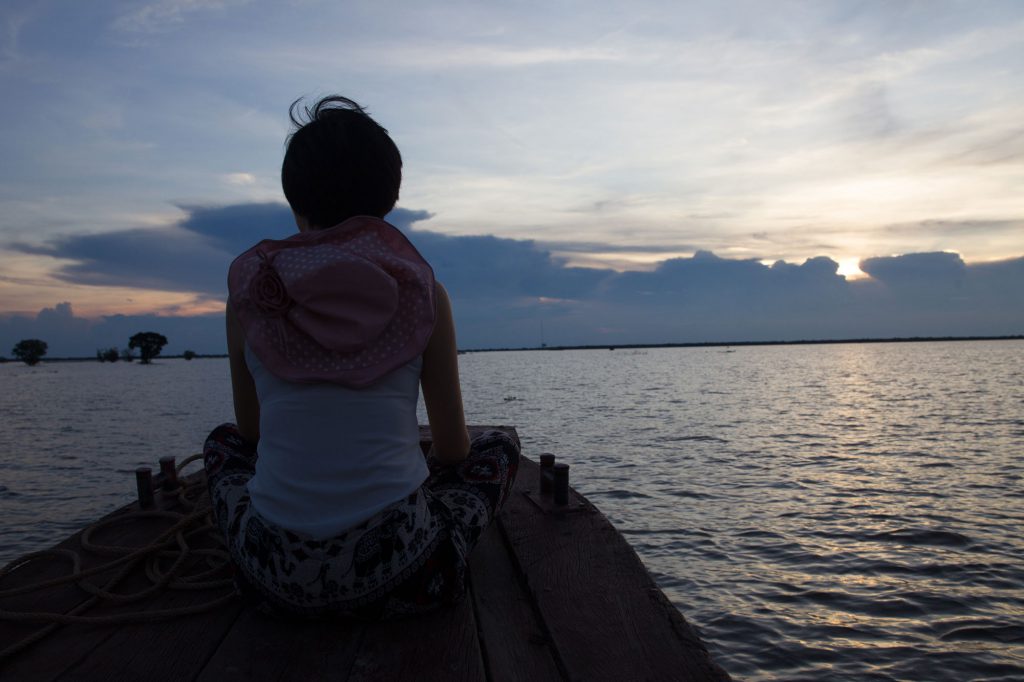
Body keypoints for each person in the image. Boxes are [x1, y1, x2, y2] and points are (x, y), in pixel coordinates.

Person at [203, 95, 520, 619]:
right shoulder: (425, 294)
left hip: (270, 580)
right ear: (389, 201)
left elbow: (252, 435)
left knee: (223, 446)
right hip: (411, 575)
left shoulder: (250, 297)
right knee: (498, 449)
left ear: (295, 202)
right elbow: (453, 450)